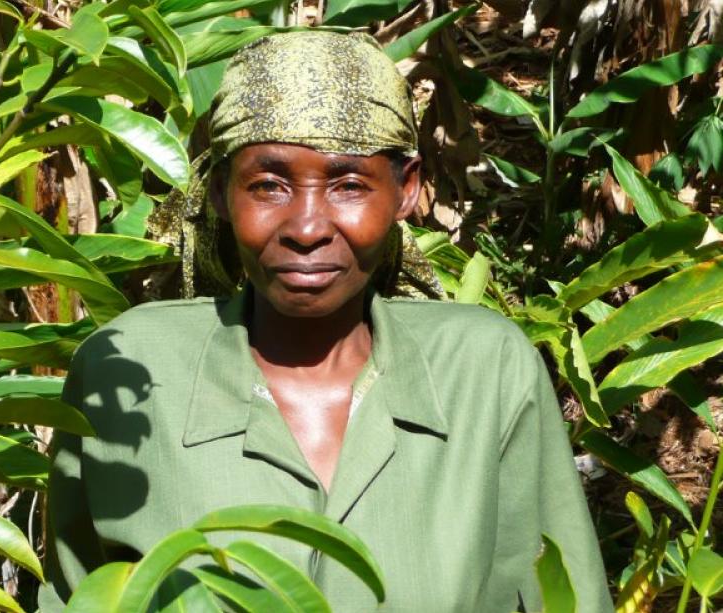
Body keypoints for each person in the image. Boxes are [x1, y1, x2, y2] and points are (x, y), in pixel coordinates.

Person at [46, 31, 613, 612]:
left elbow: (560, 594)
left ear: (406, 190)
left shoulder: (482, 370)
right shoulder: (133, 370)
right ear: (220, 191)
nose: (308, 226)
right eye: (269, 185)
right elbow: (78, 592)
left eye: (348, 185)